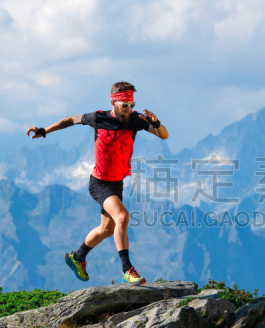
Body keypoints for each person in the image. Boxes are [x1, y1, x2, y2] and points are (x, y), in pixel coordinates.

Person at [26, 81, 168, 285]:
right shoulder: (98, 117)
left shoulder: (136, 120)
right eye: (125, 105)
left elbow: (164, 135)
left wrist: (155, 123)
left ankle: (77, 257)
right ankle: (127, 269)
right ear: (114, 102)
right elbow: (69, 120)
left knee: (107, 230)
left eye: (132, 105)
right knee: (122, 216)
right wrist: (45, 130)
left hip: (117, 183)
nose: (129, 109)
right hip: (99, 183)